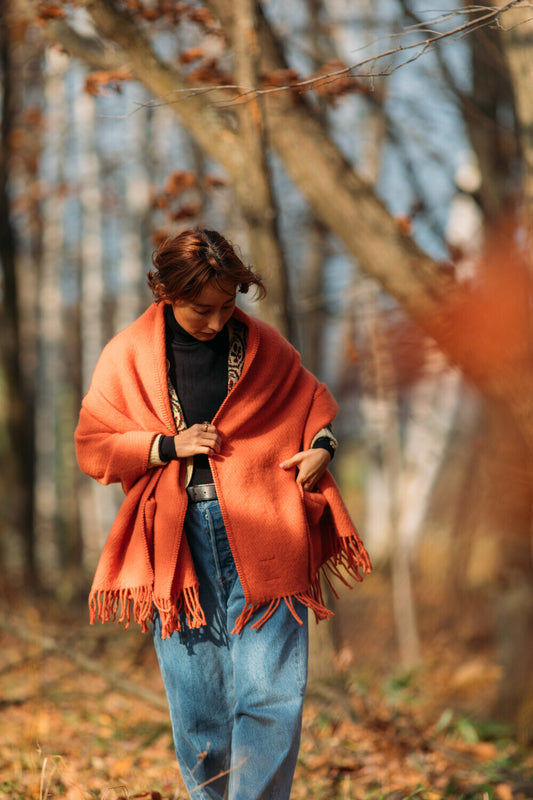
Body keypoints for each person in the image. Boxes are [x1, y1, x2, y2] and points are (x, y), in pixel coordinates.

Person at [75, 227, 371, 800]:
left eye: (228, 304)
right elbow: (93, 446)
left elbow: (312, 403)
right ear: (165, 292)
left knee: (271, 697)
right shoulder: (127, 355)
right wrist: (165, 446)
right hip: (176, 545)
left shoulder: (262, 346)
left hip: (270, 527)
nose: (216, 321)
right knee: (198, 709)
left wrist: (323, 447)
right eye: (200, 309)